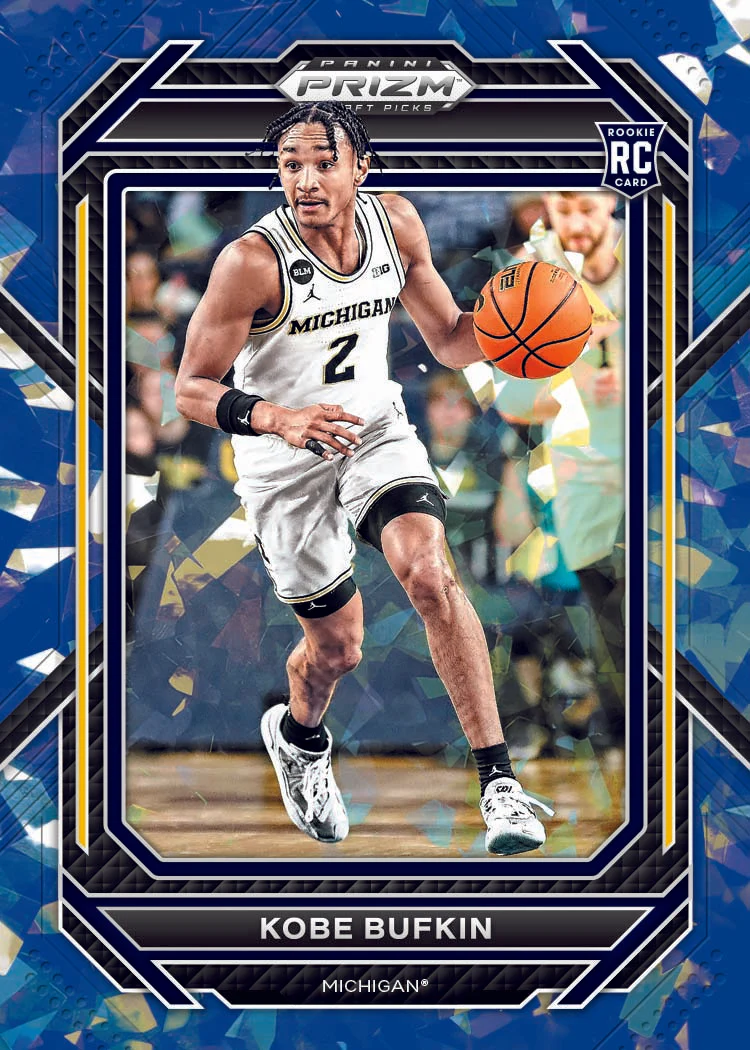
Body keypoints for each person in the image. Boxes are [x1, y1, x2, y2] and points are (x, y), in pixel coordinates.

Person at [175, 100, 552, 856]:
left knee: (429, 574)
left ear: (360, 168)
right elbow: (190, 389)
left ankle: (500, 786)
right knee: (338, 651)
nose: (306, 180)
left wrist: (523, 326)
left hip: (373, 427)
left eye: (324, 163)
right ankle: (299, 739)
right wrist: (280, 418)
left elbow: (450, 340)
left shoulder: (396, 223)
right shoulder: (251, 262)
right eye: (291, 165)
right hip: (283, 459)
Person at [495, 190, 626, 722]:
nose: (574, 223)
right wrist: (576, 385)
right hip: (584, 486)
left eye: (587, 209)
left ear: (613, 202)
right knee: (616, 638)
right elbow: (510, 399)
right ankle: (629, 746)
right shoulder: (528, 274)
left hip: (667, 474)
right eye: (562, 209)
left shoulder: (661, 257)